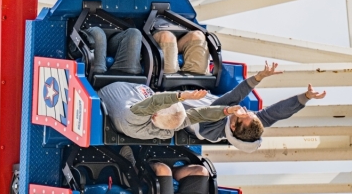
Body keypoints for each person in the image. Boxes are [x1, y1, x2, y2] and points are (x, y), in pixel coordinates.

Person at [183, 60, 327, 152]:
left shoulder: (211, 131)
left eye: (244, 115)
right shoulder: (247, 123)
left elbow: (231, 98)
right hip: (192, 87)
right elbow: (276, 113)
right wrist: (305, 97)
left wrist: (257, 78)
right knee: (198, 39)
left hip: (169, 100)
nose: (244, 109)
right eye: (250, 113)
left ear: (233, 127)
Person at [98, 83, 214, 141]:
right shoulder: (166, 128)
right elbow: (191, 117)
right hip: (131, 89)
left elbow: (156, 101)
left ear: (155, 113)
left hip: (104, 89)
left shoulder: (134, 117)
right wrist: (226, 111)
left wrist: (182, 96)